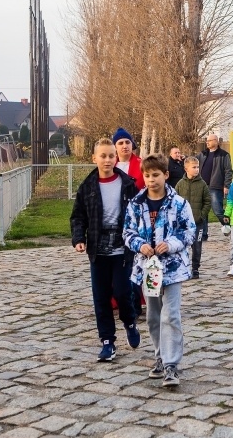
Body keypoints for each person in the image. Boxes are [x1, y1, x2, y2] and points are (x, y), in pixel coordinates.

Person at [123, 153, 196, 387]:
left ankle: (172, 364)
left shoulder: (179, 204)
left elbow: (189, 231)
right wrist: (139, 245)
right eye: (147, 175)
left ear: (165, 175)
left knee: (170, 315)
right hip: (148, 269)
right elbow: (128, 232)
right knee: (154, 316)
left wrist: (171, 244)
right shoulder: (136, 205)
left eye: (155, 175)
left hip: (172, 269)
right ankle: (160, 357)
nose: (151, 180)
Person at [71, 138, 141, 363]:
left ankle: (130, 322)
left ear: (116, 158)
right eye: (103, 156)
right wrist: (78, 238)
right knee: (101, 297)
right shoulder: (87, 186)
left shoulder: (127, 184)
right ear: (94, 158)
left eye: (111, 156)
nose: (108, 160)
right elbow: (78, 216)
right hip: (98, 249)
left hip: (122, 248)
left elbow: (139, 213)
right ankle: (107, 342)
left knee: (122, 292)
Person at [114, 127, 145, 318]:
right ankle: (118, 298)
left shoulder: (141, 165)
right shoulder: (111, 165)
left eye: (127, 142)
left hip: (137, 220)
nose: (125, 146)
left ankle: (135, 300)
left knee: (135, 262)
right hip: (115, 221)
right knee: (117, 262)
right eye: (120, 143)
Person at [174, 156, 211, 279]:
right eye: (194, 167)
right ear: (186, 169)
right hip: (183, 223)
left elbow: (207, 201)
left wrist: (201, 215)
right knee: (182, 246)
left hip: (197, 223)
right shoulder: (180, 184)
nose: (196, 169)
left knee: (197, 246)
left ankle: (195, 268)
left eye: (197, 167)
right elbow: (174, 201)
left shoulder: (202, 184)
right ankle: (183, 267)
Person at [198, 134, 233, 239]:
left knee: (217, 210)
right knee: (203, 211)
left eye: (209, 140)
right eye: (206, 140)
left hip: (215, 187)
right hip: (202, 186)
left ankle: (228, 227)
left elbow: (228, 171)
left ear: (216, 141)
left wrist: (226, 185)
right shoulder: (203, 154)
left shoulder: (224, 155)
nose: (207, 142)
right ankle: (203, 234)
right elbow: (192, 162)